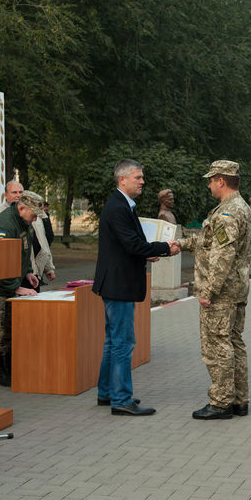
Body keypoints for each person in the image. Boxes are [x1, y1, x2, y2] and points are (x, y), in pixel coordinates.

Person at [93, 159, 177, 416]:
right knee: (123, 342)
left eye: (142, 177)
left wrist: (146, 253)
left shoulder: (122, 205)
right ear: (122, 180)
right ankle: (121, 399)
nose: (142, 182)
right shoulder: (119, 207)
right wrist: (164, 248)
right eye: (138, 177)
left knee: (112, 341)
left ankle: (107, 392)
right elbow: (132, 245)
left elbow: (127, 246)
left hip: (116, 282)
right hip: (119, 285)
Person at [178, 160, 251, 420]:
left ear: (221, 180)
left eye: (211, 179)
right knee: (234, 344)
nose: (209, 184)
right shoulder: (235, 207)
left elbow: (222, 255)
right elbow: (209, 241)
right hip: (236, 289)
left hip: (222, 292)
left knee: (217, 346)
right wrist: (181, 243)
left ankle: (221, 403)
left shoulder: (228, 213)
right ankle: (239, 400)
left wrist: (208, 291)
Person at [0, 190, 44, 386]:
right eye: (33, 214)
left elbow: (24, 251)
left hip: (10, 286)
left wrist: (27, 272)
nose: (35, 219)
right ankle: (0, 373)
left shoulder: (25, 223)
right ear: (21, 208)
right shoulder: (3, 225)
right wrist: (16, 288)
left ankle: (10, 371)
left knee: (10, 330)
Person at [29, 200, 56, 292]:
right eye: (14, 192)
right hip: (24, 273)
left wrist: (49, 268)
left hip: (37, 272)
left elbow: (44, 243)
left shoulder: (39, 218)